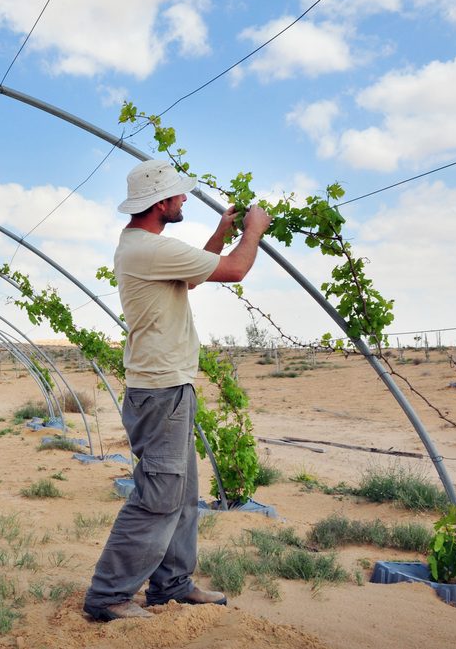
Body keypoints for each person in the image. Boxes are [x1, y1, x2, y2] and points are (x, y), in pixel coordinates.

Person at [83, 159, 271, 622]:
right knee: (160, 495)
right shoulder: (148, 249)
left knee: (182, 494)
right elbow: (235, 270)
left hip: (167, 389)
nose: (185, 199)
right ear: (160, 202)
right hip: (161, 391)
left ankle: (172, 585)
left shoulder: (147, 248)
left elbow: (193, 274)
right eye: (179, 195)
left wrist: (222, 231)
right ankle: (108, 596)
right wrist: (255, 230)